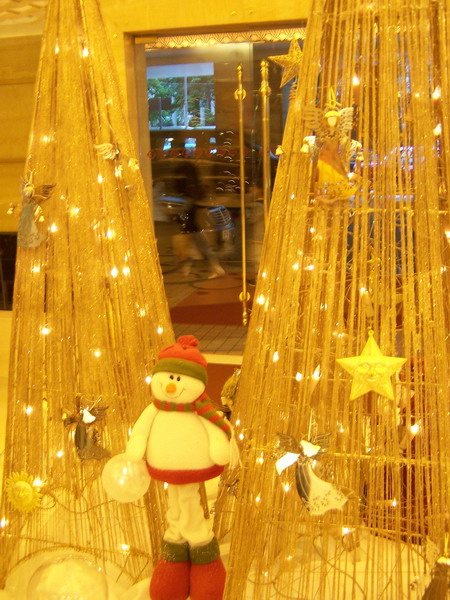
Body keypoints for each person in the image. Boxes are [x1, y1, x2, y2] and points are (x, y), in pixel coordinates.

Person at [171, 160, 225, 278]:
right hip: (192, 226)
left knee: (199, 248)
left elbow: (185, 211)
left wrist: (178, 217)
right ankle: (187, 269)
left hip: (190, 227)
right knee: (197, 248)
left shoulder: (186, 193)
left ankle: (215, 268)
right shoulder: (193, 190)